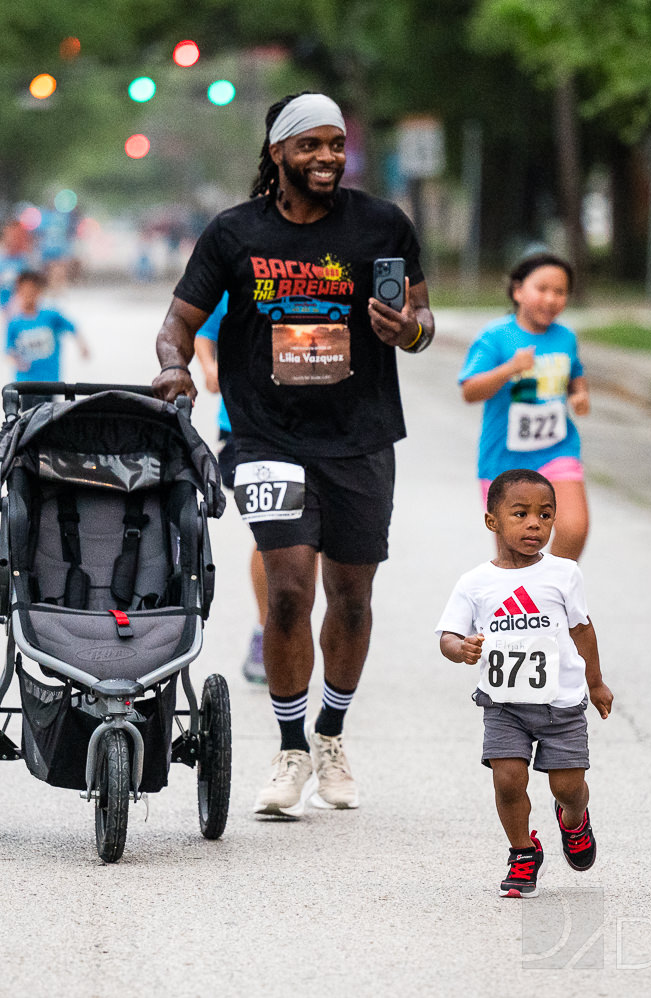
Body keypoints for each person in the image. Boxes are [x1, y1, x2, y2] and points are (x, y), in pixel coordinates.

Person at [152, 92, 435, 816]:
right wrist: (174, 366)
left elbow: (424, 319)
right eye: (310, 145)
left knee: (352, 597)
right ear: (276, 152)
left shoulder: (382, 225)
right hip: (264, 437)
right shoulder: (234, 233)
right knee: (287, 590)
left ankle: (331, 733)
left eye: (336, 145)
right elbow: (178, 322)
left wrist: (406, 330)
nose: (327, 158)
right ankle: (288, 748)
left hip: (362, 438)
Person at [435, 468, 613, 898]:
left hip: (562, 704)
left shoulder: (564, 574)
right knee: (508, 780)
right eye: (521, 514)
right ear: (492, 521)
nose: (535, 524)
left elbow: (582, 630)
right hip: (504, 705)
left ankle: (574, 819)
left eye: (546, 515)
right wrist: (463, 650)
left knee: (567, 786)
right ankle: (522, 852)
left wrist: (596, 683)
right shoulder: (475, 583)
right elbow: (447, 636)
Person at [459, 253, 592, 560]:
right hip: (504, 459)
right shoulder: (495, 336)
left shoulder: (565, 337)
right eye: (542, 288)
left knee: (574, 528)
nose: (551, 298)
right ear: (518, 290)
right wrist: (509, 368)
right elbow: (470, 391)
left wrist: (579, 394)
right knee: (516, 551)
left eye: (560, 292)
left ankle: (551, 591)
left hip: (557, 449)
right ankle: (522, 604)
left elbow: (576, 374)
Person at [191, 292, 275, 685]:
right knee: (272, 533)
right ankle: (266, 631)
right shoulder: (238, 281)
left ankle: (288, 623)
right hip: (244, 430)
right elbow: (204, 334)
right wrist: (209, 368)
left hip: (314, 429)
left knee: (312, 542)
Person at [5, 270, 86, 403]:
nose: (28, 296)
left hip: (50, 380)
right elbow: (8, 350)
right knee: (28, 416)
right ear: (18, 293)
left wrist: (82, 346)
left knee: (48, 414)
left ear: (38, 292)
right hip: (26, 381)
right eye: (24, 292)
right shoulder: (14, 323)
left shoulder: (50, 315)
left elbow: (73, 327)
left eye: (32, 292)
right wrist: (17, 362)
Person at [0, 220, 39, 310]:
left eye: (18, 236)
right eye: (12, 236)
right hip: (3, 308)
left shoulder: (29, 261)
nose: (15, 240)